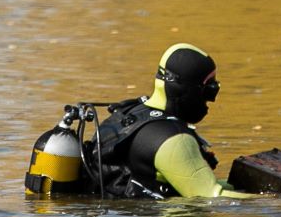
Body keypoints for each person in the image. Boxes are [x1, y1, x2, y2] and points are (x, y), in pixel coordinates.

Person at [90, 44, 253, 199]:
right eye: (210, 89)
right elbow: (211, 197)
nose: (211, 99)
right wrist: (273, 200)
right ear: (189, 89)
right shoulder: (175, 139)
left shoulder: (128, 115)